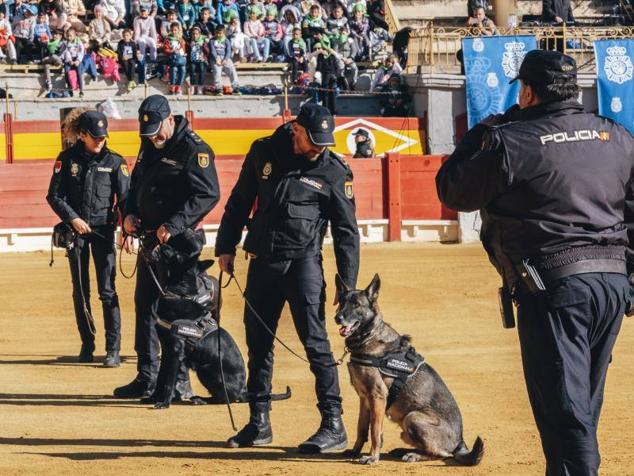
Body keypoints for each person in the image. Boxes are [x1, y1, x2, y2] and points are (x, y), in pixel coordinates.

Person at [435, 50, 634, 476]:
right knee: (581, 404)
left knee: (566, 413)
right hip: (612, 284)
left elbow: (454, 191)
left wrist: (481, 133)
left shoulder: (512, 140)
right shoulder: (614, 135)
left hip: (556, 285)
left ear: (526, 91)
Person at [215, 103, 359, 453]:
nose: (320, 147)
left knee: (315, 343)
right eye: (313, 139)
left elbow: (346, 232)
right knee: (258, 345)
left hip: (304, 265)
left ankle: (333, 424)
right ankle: (258, 423)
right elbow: (239, 200)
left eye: (325, 140)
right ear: (296, 129)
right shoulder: (263, 151)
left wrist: (348, 284)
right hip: (263, 261)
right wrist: (226, 245)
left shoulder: (334, 171)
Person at [114, 94, 221, 399]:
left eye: (158, 131)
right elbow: (136, 183)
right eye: (148, 134)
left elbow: (208, 194)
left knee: (178, 313)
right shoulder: (149, 144)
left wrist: (173, 225)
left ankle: (178, 381)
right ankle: (147, 375)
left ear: (170, 119)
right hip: (151, 242)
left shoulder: (195, 149)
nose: (154, 138)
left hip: (180, 247)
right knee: (145, 305)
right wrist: (130, 213)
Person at [46, 110, 132, 367]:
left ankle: (113, 348)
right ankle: (87, 343)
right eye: (94, 137)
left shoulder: (116, 162)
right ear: (82, 135)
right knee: (80, 291)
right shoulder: (66, 159)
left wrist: (127, 231)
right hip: (76, 233)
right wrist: (73, 218)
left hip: (104, 232)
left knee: (107, 291)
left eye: (103, 137)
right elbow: (54, 196)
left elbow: (125, 201)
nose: (100, 141)